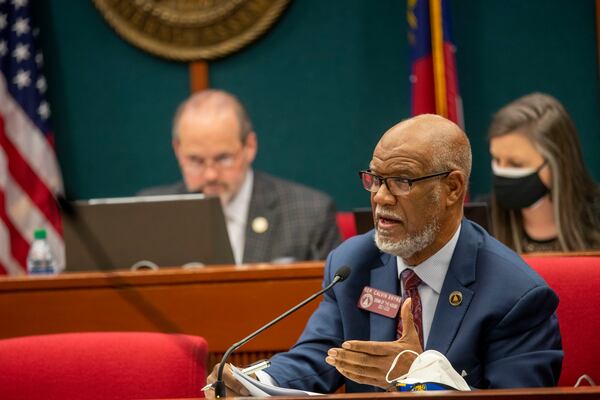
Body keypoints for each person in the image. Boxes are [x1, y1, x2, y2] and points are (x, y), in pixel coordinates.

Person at [205, 114, 562, 396]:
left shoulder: (515, 295)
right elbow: (318, 358)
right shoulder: (353, 264)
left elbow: (516, 398)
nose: (380, 197)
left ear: (452, 188)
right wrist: (254, 383)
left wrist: (419, 377)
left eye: (401, 181)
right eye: (375, 179)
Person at [139, 90, 341, 264]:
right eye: (196, 160)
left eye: (224, 158)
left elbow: (332, 303)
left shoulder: (309, 214)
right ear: (177, 150)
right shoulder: (148, 214)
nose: (210, 175)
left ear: (250, 147)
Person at [488, 92, 600, 253]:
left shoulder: (596, 216)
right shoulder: (481, 223)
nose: (502, 171)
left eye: (516, 164)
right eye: (497, 160)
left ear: (558, 163)